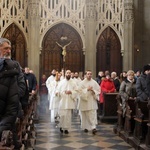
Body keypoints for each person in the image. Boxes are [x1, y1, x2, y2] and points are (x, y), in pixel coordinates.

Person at [0, 37, 20, 149]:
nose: (9, 51)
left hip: (4, 125)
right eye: (5, 48)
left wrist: (2, 129)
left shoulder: (13, 69)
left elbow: (12, 105)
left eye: (9, 49)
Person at [78, 70, 100, 134]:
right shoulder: (81, 83)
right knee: (84, 115)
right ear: (85, 75)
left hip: (92, 101)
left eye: (90, 74)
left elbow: (98, 90)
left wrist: (93, 91)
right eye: (88, 74)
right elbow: (79, 92)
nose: (89, 75)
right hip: (84, 102)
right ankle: (85, 127)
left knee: (92, 115)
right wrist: (87, 89)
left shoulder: (94, 82)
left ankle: (93, 127)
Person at [56, 70, 78, 134]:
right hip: (62, 101)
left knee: (68, 116)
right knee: (62, 115)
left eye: (69, 73)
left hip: (69, 101)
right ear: (65, 74)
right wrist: (58, 93)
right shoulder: (61, 82)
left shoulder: (73, 83)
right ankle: (61, 126)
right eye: (67, 73)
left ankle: (66, 129)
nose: (68, 74)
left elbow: (76, 91)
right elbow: (57, 90)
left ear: (71, 74)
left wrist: (71, 92)